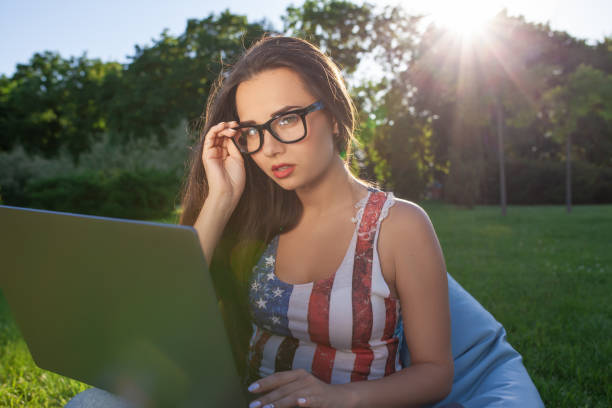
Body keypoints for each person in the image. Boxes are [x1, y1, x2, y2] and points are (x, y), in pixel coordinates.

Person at [65, 35, 471, 407]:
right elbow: (160, 312)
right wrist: (221, 198)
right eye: (253, 132)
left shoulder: (398, 225)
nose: (270, 148)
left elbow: (435, 374)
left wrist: (336, 397)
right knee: (93, 403)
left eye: (287, 119)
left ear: (332, 114)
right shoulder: (259, 217)